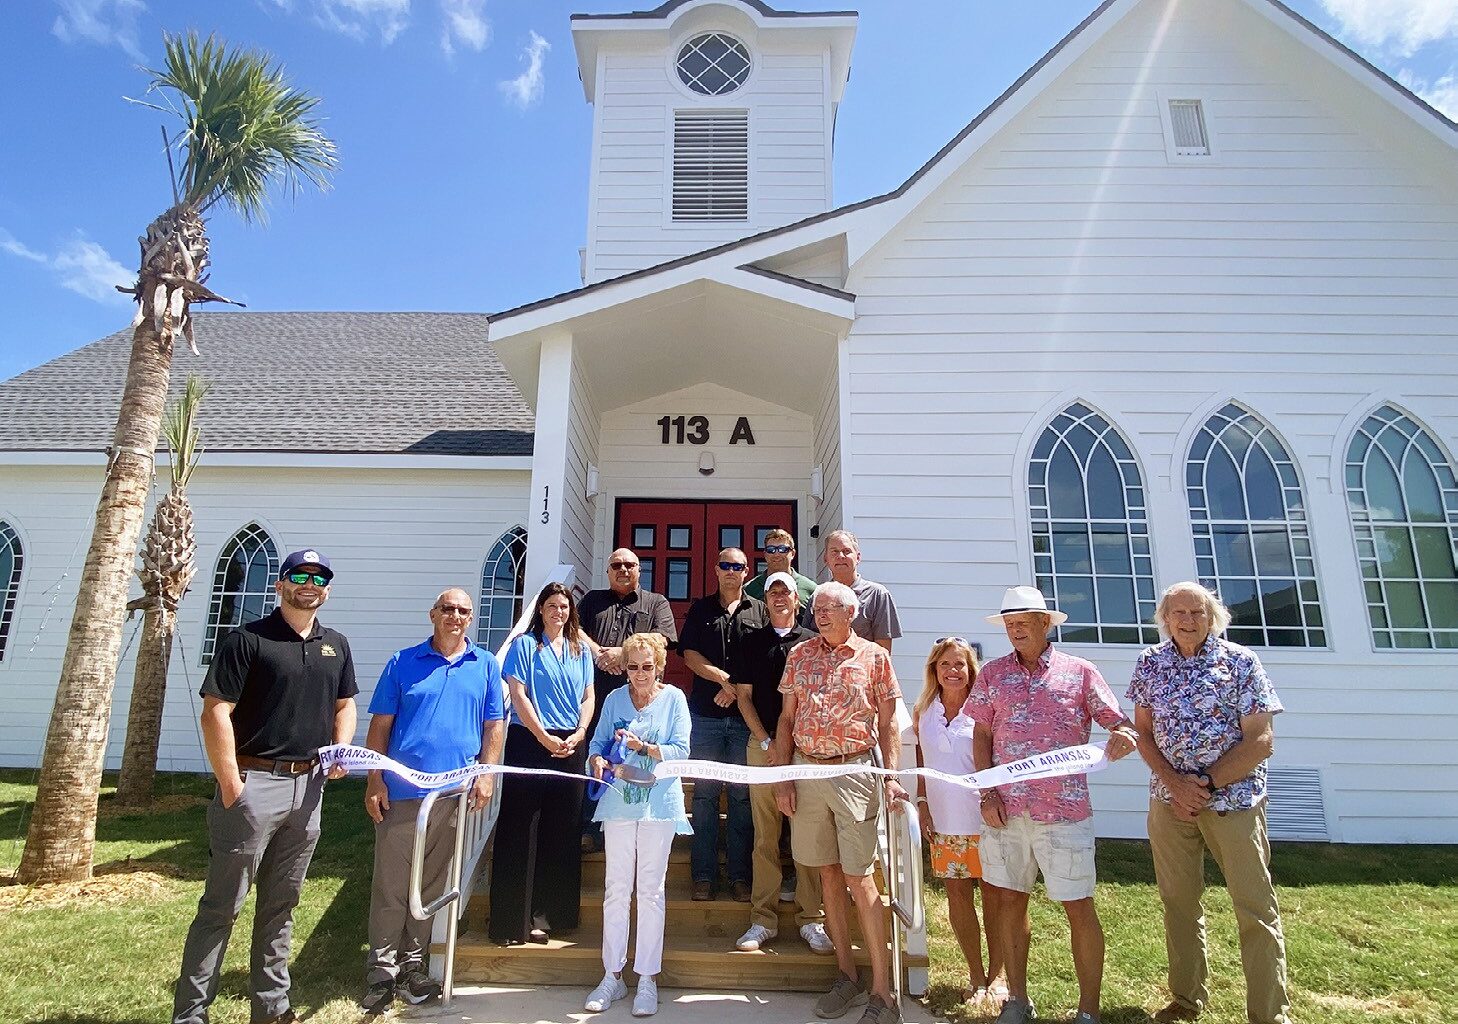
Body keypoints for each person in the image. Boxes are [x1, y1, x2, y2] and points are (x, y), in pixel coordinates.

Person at [172, 549, 357, 1024]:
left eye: (319, 579)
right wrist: (232, 783)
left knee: (282, 904)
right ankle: (191, 1013)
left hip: (308, 789)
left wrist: (340, 749)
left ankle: (272, 1008)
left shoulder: (334, 644)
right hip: (254, 784)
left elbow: (344, 705)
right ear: (281, 585)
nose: (309, 585)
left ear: (327, 589)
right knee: (221, 907)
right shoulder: (247, 640)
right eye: (299, 576)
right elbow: (216, 710)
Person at [968, 586, 1140, 1024]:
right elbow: (982, 734)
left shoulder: (1080, 672)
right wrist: (986, 793)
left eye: (1024, 622)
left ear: (1046, 624)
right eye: (1009, 625)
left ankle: (1087, 1011)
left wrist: (1122, 736)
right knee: (1009, 900)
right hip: (1005, 810)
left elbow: (1116, 722)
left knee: (1078, 904)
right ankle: (1017, 1000)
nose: (1015, 630)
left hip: (1063, 810)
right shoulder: (991, 674)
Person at [1126, 582, 1290, 1024]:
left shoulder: (1240, 662)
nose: (1187, 620)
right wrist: (1175, 785)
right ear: (1165, 618)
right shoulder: (1150, 663)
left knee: (1254, 906)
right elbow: (1141, 732)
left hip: (1233, 802)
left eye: (1196, 612)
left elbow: (1261, 741)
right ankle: (1185, 999)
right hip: (1169, 803)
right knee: (1178, 902)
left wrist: (1201, 783)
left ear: (1212, 615)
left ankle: (1269, 1014)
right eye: (1177, 612)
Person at [359, 588, 508, 1015]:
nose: (455, 616)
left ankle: (411, 968)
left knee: (429, 885)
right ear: (433, 614)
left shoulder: (484, 666)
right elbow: (381, 724)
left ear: (470, 618)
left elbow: (493, 725)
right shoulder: (402, 663)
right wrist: (375, 779)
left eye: (463, 611)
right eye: (447, 609)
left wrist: (485, 774)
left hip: (453, 797)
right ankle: (380, 972)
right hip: (402, 794)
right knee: (391, 886)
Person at [774, 581, 906, 1024]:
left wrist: (891, 778)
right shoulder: (800, 655)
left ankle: (883, 993)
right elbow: (787, 719)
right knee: (828, 874)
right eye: (816, 608)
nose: (819, 614)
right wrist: (783, 779)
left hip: (855, 773)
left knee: (860, 879)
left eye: (829, 608)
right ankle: (846, 976)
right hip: (808, 772)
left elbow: (888, 725)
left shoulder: (875, 656)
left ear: (851, 612)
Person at [583, 632, 692, 1018]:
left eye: (648, 666)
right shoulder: (613, 699)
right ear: (624, 667)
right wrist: (596, 760)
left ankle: (647, 977)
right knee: (615, 889)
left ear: (659, 666)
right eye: (633, 666)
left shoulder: (675, 699)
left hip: (658, 805)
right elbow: (595, 745)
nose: (641, 674)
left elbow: (681, 750)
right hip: (617, 803)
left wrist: (642, 748)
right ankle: (612, 975)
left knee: (650, 891)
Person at [487, 581, 595, 944]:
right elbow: (518, 694)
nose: (558, 612)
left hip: (571, 743)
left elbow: (588, 696)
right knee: (522, 829)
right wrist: (542, 736)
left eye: (564, 606)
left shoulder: (580, 649)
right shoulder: (524, 646)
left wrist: (580, 732)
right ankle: (512, 924)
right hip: (530, 740)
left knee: (563, 829)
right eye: (552, 606)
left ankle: (554, 916)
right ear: (541, 610)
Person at [730, 571, 830, 955]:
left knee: (807, 835)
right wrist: (768, 740)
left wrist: (791, 745)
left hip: (805, 750)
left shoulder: (813, 643)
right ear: (765, 600)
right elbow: (743, 698)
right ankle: (762, 919)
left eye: (785, 591)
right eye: (772, 592)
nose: (778, 597)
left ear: (796, 599)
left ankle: (812, 919)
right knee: (765, 835)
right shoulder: (750, 642)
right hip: (763, 747)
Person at [912, 637, 1005, 1010]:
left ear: (971, 670)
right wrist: (922, 801)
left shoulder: (986, 709)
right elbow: (921, 759)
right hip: (945, 821)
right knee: (958, 898)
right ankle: (976, 975)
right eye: (945, 665)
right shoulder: (923, 710)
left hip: (987, 821)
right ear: (934, 669)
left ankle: (1000, 976)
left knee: (997, 899)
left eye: (960, 665)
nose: (953, 671)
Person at [677, 547, 766, 901]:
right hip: (706, 716)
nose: (732, 571)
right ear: (716, 570)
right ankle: (703, 875)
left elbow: (765, 656)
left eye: (738, 566)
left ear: (747, 572)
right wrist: (723, 680)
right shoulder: (700, 610)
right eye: (726, 565)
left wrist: (737, 689)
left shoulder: (758, 610)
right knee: (705, 796)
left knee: (743, 798)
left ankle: (741, 877)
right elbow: (689, 654)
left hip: (746, 719)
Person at [577, 548, 677, 852]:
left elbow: (665, 639)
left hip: (642, 698)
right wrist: (598, 652)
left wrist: (623, 653)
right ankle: (589, 828)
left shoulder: (656, 602)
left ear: (639, 570)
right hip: (598, 694)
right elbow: (574, 629)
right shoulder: (593, 600)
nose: (623, 569)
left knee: (636, 759)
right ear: (608, 571)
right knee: (598, 755)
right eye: (616, 565)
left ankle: (638, 823)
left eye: (629, 565)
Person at [821, 529, 901, 651]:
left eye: (846, 551)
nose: (840, 556)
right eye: (834, 552)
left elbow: (883, 651)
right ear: (825, 559)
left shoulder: (877, 595)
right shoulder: (819, 596)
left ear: (858, 557)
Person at [744, 528, 817, 608]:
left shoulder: (811, 589)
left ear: (792, 553)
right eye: (771, 550)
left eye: (783, 549)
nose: (776, 554)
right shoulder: (748, 590)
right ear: (765, 554)